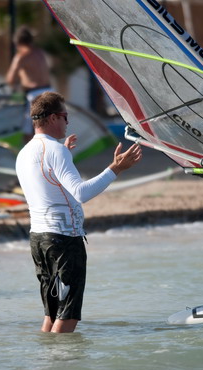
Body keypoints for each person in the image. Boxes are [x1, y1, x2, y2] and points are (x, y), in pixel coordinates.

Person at [15, 91, 143, 333]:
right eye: (65, 116)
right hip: (63, 240)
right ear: (53, 118)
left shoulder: (25, 152)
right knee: (68, 314)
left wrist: (62, 153)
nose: (67, 122)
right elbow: (81, 193)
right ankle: (63, 369)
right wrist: (115, 169)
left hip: (38, 240)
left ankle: (47, 364)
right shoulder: (55, 151)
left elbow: (48, 182)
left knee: (51, 313)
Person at [5, 25, 52, 142]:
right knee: (47, 129)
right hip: (50, 91)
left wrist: (20, 78)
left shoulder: (21, 56)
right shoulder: (40, 53)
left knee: (29, 133)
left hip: (35, 95)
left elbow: (10, 79)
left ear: (17, 42)